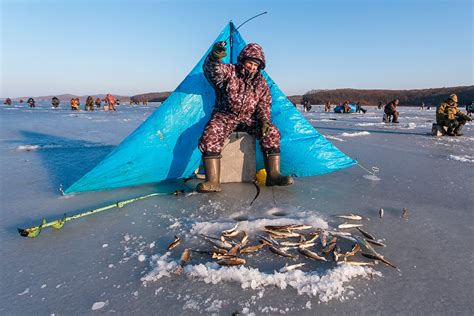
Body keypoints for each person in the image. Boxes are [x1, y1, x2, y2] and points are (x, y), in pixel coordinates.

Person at [197, 41, 293, 193]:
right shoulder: (230, 71)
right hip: (225, 115)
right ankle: (213, 181)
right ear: (243, 60)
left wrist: (264, 120)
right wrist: (215, 57)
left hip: (249, 119)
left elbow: (263, 104)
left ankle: (273, 175)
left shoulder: (261, 83)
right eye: (250, 63)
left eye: (256, 65)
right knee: (211, 132)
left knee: (272, 132)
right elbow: (212, 71)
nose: (252, 67)